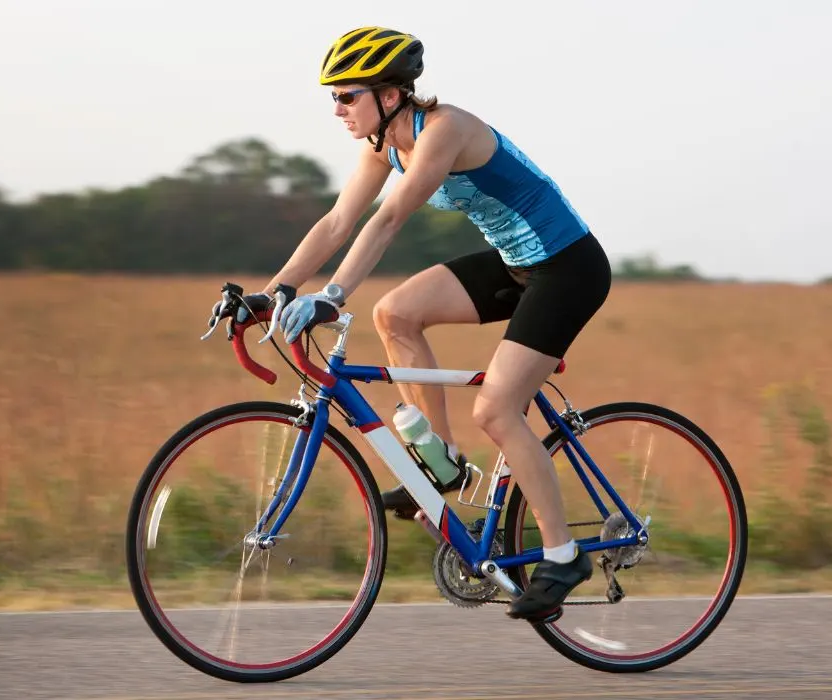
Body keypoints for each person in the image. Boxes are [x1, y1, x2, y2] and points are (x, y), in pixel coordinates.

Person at [208, 26, 613, 623]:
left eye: (347, 95)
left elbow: (390, 217)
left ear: (391, 94)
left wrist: (334, 294)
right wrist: (276, 293)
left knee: (497, 411)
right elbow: (339, 220)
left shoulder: (444, 130)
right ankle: (441, 463)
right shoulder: (383, 146)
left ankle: (562, 555)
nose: (337, 108)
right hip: (515, 264)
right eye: (334, 98)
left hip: (568, 269)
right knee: (394, 313)